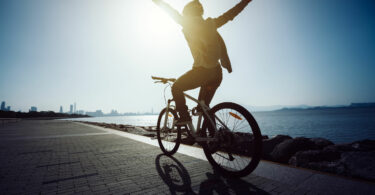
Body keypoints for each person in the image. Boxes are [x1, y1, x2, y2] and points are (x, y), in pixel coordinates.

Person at [152, 0, 252, 124]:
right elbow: (232, 13)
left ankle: (184, 117)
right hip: (216, 73)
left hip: (202, 73)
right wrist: (245, 1)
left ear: (187, 13)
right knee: (204, 108)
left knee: (177, 87)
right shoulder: (211, 24)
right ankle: (214, 139)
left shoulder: (187, 23)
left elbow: (169, 9)